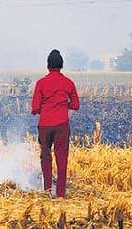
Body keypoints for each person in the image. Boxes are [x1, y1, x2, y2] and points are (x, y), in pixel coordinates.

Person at [31, 49, 79, 199]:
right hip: (62, 125)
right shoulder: (69, 83)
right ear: (61, 65)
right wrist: (64, 105)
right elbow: (76, 105)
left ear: (48, 66)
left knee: (45, 157)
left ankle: (47, 191)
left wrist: (45, 109)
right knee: (62, 158)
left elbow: (35, 108)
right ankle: (60, 194)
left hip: (45, 125)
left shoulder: (41, 83)